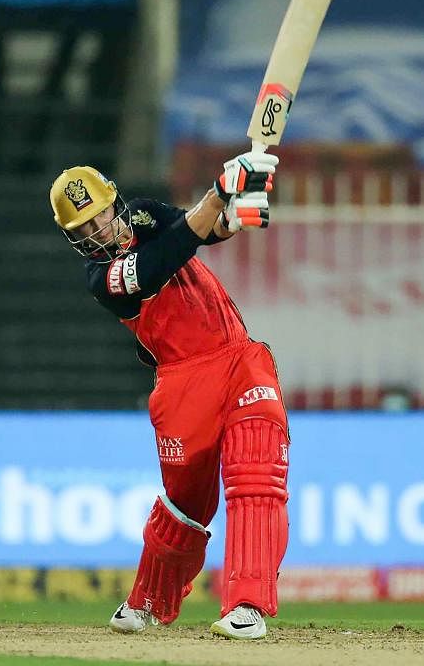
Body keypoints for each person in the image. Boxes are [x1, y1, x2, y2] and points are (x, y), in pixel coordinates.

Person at [49, 152, 286, 640]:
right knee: (186, 506)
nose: (98, 231)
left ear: (115, 202)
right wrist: (219, 192)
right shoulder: (104, 280)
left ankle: (248, 604)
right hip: (182, 385)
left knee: (256, 474)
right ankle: (147, 601)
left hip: (240, 359)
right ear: (73, 241)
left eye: (100, 216)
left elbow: (199, 230)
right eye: (84, 229)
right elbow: (167, 255)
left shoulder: (142, 214)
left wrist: (235, 215)